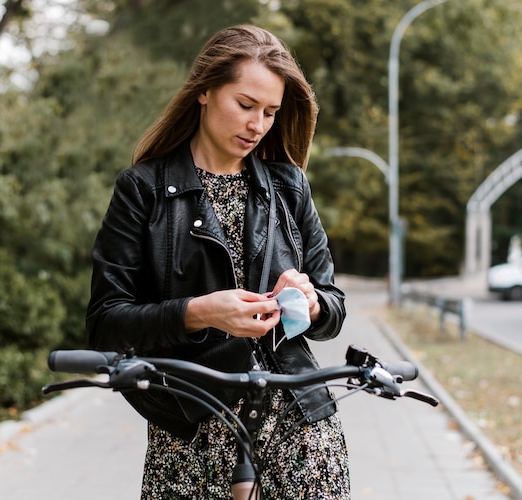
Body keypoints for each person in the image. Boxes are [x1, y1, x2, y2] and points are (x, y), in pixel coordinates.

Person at [86, 24, 350, 499]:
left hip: (301, 430)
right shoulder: (141, 190)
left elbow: (333, 308)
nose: (258, 125)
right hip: (189, 431)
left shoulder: (289, 186)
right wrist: (200, 312)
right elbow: (106, 323)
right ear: (204, 91)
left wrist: (310, 303)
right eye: (246, 105)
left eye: (270, 112)